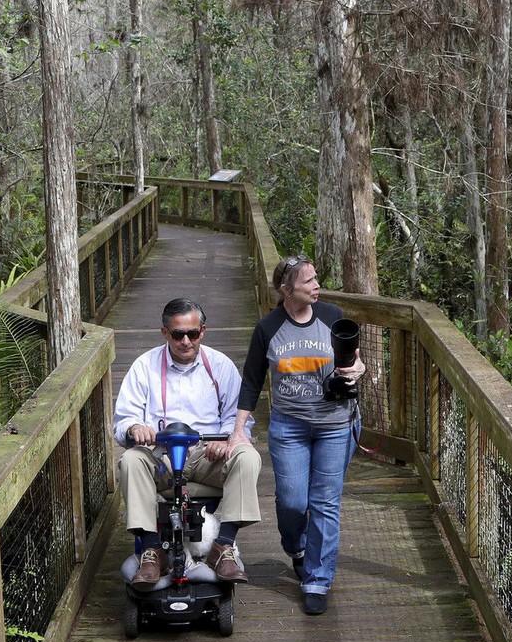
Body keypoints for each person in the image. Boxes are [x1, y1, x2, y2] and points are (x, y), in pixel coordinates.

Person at [231, 254, 365, 615]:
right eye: (308, 281)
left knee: (325, 502)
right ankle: (297, 548)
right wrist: (238, 431)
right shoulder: (268, 327)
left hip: (335, 424)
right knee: (292, 502)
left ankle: (318, 580)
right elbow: (251, 382)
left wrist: (354, 371)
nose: (317, 285)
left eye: (316, 279)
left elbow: (355, 361)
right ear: (286, 289)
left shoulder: (333, 316)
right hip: (289, 427)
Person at [113, 297, 260, 588]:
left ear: (202, 331)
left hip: (208, 454)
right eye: (177, 334)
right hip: (163, 456)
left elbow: (240, 420)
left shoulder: (220, 366)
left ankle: (224, 546)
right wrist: (135, 428)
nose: (185, 341)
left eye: (192, 333)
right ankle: (152, 550)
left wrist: (230, 439)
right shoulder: (145, 366)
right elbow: (123, 422)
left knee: (247, 456)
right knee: (131, 459)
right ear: (164, 333)